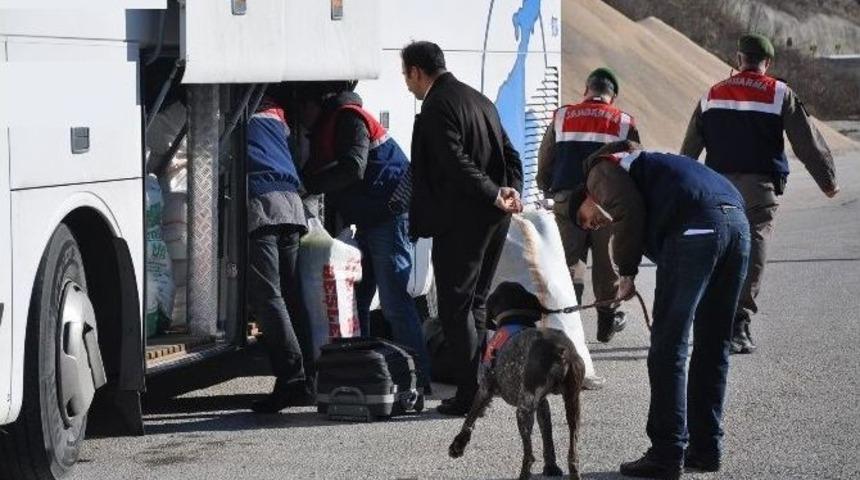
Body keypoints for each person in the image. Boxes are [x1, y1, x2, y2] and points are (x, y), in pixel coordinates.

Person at [571, 141, 750, 479]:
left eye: (586, 220)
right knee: (713, 345)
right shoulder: (654, 162)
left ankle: (666, 454)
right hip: (737, 226)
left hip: (697, 226)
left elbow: (626, 207)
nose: (592, 226)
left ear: (586, 196)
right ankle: (706, 449)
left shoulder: (599, 170)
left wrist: (626, 271)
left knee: (669, 348)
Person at [681, 33, 839, 354]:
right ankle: (739, 324)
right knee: (753, 250)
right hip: (759, 190)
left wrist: (683, 191)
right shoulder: (780, 92)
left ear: (739, 59)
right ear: (766, 63)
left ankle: (711, 323)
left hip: (717, 190)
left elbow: (689, 150)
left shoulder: (711, 94)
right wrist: (827, 181)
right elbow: (807, 142)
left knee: (719, 252)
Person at [401, 40, 523, 416]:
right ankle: (479, 387)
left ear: (418, 72)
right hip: (493, 218)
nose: (407, 85)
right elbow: (510, 152)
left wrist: (491, 194)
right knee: (477, 302)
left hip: (463, 219)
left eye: (407, 76)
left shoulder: (437, 106)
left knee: (455, 307)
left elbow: (454, 162)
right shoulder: (479, 99)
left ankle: (470, 394)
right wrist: (511, 190)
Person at [299, 82, 432, 390]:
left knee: (394, 302)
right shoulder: (329, 124)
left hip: (388, 215)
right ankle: (363, 371)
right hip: (371, 217)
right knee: (357, 299)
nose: (301, 117)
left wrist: (309, 185)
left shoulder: (348, 119)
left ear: (316, 104)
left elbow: (352, 169)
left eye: (303, 109)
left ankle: (418, 377)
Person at [537, 67, 639, 343]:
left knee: (569, 261)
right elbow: (634, 164)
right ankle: (606, 322)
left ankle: (569, 323)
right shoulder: (624, 121)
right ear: (612, 97)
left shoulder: (563, 115)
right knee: (606, 262)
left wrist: (547, 187)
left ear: (586, 91)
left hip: (568, 200)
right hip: (606, 203)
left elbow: (546, 156)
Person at [245, 86, 315, 413]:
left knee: (269, 296)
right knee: (292, 294)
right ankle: (308, 377)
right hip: (291, 202)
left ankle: (291, 378)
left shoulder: (235, 109)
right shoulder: (276, 112)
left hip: (263, 203)